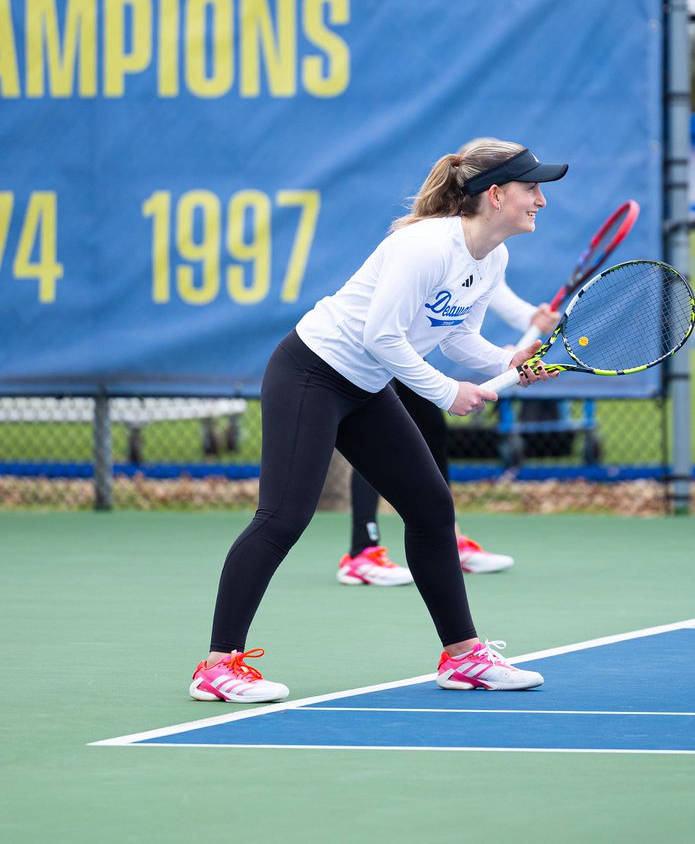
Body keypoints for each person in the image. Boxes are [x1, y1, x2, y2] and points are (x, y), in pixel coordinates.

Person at [189, 139, 567, 702]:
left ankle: (463, 658)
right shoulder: (424, 247)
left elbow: (457, 335)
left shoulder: (493, 257)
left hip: (365, 386)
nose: (540, 200)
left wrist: (506, 360)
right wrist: (445, 393)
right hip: (311, 373)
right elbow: (381, 336)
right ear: (495, 194)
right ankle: (217, 667)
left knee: (431, 507)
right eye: (531, 188)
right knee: (283, 517)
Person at [337, 280, 560, 587]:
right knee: (376, 437)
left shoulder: (493, 251)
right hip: (374, 347)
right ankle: (362, 552)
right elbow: (444, 332)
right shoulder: (437, 240)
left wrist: (526, 323)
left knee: (431, 428)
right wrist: (492, 363)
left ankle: (447, 541)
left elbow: (486, 298)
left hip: (408, 348)